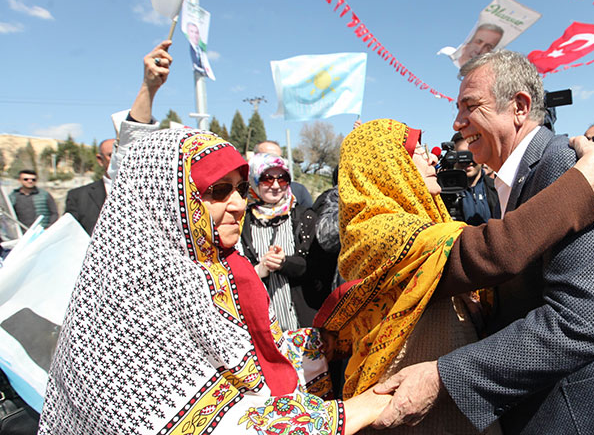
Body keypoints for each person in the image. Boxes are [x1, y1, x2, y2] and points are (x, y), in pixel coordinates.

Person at [38, 39, 391, 435]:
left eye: (242, 189)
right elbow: (199, 423)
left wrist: (317, 341)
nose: (240, 205)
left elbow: (242, 361)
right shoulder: (133, 301)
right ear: (171, 202)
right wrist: (354, 412)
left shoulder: (209, 262)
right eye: (217, 192)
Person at [369, 50, 594, 434]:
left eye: (471, 106)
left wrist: (443, 377)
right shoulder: (521, 179)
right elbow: (499, 254)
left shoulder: (567, 166)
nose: (458, 122)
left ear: (520, 107)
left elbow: (579, 321)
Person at [315, 117, 594, 434]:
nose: (433, 157)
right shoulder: (379, 234)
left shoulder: (425, 227)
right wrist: (585, 178)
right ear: (387, 167)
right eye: (417, 150)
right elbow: (495, 251)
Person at [238, 153, 320, 330]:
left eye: (282, 179)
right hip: (259, 327)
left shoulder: (304, 216)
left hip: (302, 328)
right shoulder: (241, 222)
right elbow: (234, 273)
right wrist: (260, 270)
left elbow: (317, 269)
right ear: (254, 180)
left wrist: (285, 263)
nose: (275, 186)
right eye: (267, 179)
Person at [64, 138, 115, 234]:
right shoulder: (78, 197)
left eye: (123, 154)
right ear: (100, 160)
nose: (119, 159)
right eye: (111, 155)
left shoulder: (147, 193)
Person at [451, 132, 500, 225]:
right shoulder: (444, 193)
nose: (467, 161)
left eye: (471, 154)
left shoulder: (497, 187)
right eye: (461, 155)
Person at [254, 140, 314, 208]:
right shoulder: (242, 195)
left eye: (278, 158)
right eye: (267, 157)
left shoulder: (298, 192)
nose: (274, 162)